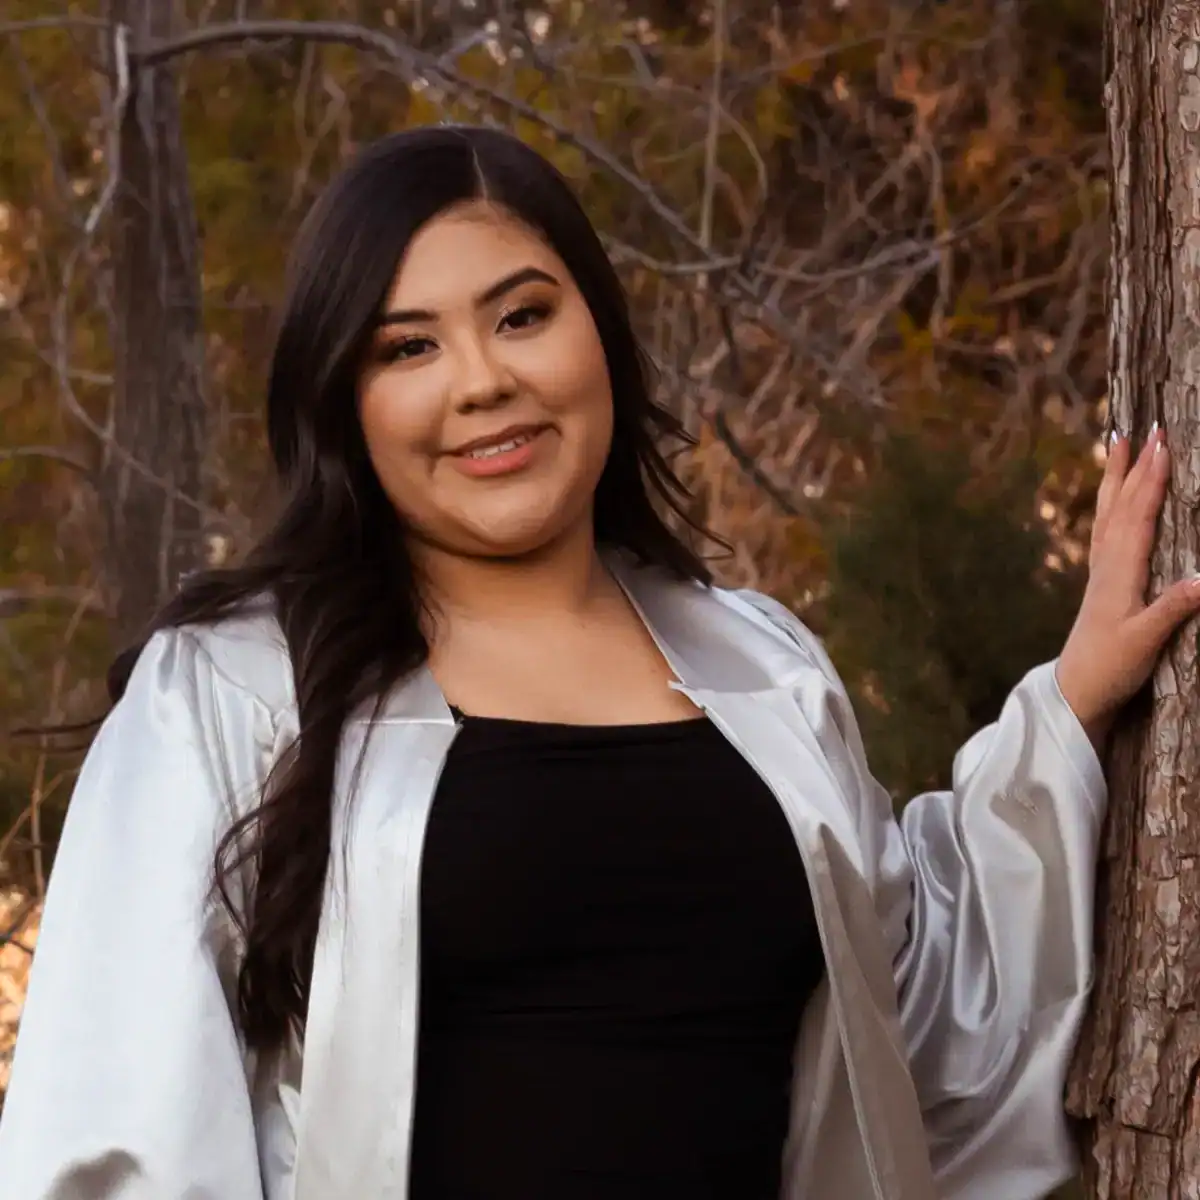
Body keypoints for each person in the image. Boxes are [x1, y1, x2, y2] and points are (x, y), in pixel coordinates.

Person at [0, 125, 1194, 1200]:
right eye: (407, 347)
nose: (482, 382)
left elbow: (918, 1039)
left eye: (522, 315)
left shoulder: (762, 671)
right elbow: (117, 1136)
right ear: (343, 400)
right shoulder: (237, 693)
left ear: (599, 336)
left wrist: (1072, 705)